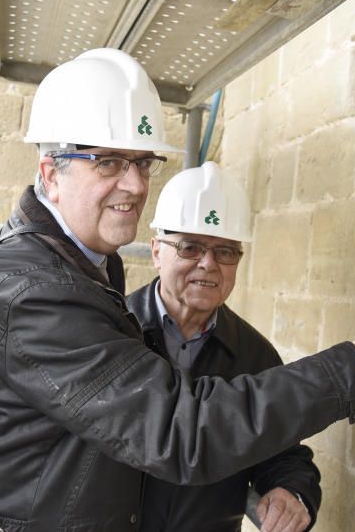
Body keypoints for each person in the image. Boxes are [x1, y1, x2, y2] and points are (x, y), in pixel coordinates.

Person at [0, 48, 355, 531]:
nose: (133, 183)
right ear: (52, 173)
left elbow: (272, 449)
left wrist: (290, 489)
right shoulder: (38, 290)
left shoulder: (89, 273)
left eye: (143, 162)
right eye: (107, 162)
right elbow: (180, 431)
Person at [127, 161, 319, 532]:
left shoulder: (256, 355)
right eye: (190, 246)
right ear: (156, 251)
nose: (208, 264)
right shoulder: (114, 334)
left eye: (226, 252)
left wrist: (290, 491)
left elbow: (283, 452)